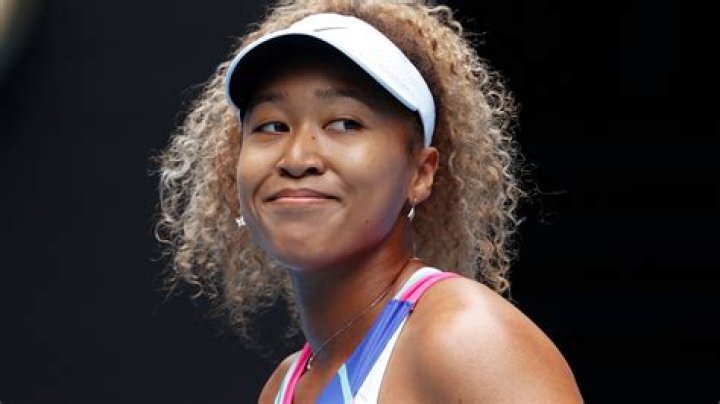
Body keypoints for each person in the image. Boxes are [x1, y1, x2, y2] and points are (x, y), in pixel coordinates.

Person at [157, 0, 583, 402]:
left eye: (344, 123)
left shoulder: (466, 337)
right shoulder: (283, 388)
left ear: (421, 173)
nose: (298, 158)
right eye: (272, 126)